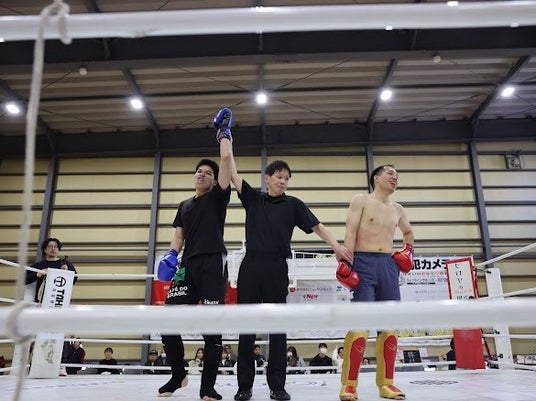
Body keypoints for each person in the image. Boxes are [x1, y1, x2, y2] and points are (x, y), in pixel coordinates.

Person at [224, 109, 353, 401]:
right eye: (279, 177)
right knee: (247, 328)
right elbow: (232, 173)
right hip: (250, 266)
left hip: (276, 267)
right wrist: (226, 138)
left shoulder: (294, 204)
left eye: (287, 178)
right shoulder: (253, 198)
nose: (283, 181)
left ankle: (277, 386)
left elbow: (317, 226)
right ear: (267, 178)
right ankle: (244, 387)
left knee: (277, 328)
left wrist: (336, 246)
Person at [156, 112, 232, 401]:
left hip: (213, 264)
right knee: (168, 321)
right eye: (198, 171)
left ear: (214, 181)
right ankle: (178, 375)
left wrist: (224, 134)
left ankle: (207, 387)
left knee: (212, 329)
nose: (202, 174)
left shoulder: (218, 197)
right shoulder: (184, 205)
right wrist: (170, 255)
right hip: (187, 266)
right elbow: (179, 236)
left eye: (207, 173)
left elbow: (226, 161)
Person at [338, 164, 414, 401]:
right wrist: (347, 262)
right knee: (360, 325)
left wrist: (408, 250)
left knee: (390, 327)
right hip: (363, 262)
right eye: (390, 173)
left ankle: (387, 384)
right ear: (376, 178)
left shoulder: (398, 209)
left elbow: (408, 232)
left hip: (388, 265)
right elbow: (350, 231)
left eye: (397, 175)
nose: (395, 177)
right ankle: (349, 384)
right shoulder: (361, 200)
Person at [25, 237, 77, 303]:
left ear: (58, 249)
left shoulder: (66, 264)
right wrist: (37, 274)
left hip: (59, 300)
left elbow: (74, 279)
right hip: (41, 301)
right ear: (44, 250)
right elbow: (24, 280)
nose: (53, 248)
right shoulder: (38, 265)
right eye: (50, 246)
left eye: (55, 246)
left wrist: (67, 273)